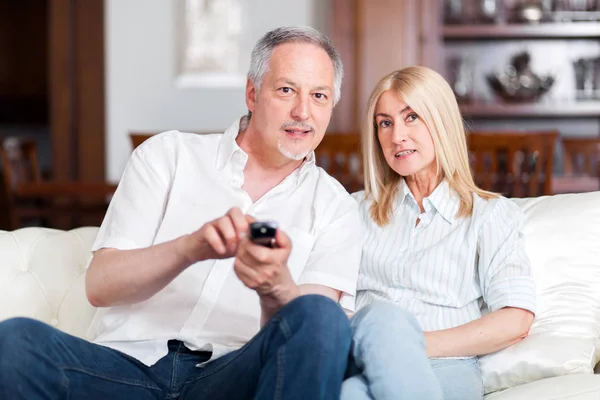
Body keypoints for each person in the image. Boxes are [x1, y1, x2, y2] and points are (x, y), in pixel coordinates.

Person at [0, 26, 362, 400]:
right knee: (16, 342)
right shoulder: (168, 157)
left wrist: (274, 290)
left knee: (321, 317)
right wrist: (190, 248)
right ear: (252, 94)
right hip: (122, 371)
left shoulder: (337, 207)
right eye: (286, 90)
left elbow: (308, 339)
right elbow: (100, 285)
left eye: (319, 96)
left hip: (231, 377)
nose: (302, 111)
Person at [341, 66, 536, 400]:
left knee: (385, 328)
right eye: (385, 123)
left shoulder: (489, 216)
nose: (396, 136)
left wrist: (408, 343)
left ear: (441, 121)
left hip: (447, 367)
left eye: (411, 117)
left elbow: (515, 319)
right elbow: (335, 306)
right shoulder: (353, 212)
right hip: (364, 361)